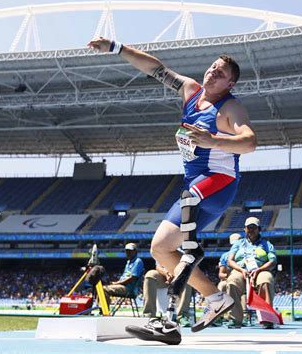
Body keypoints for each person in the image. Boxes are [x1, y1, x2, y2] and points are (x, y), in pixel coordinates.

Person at [87, 37, 257, 344]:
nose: (212, 74)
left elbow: (250, 142)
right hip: (195, 185)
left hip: (217, 182)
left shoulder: (231, 107)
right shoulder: (191, 91)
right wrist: (115, 48)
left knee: (186, 246)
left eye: (220, 73)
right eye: (212, 68)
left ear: (230, 84)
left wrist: (214, 141)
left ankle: (167, 322)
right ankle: (216, 299)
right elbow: (156, 68)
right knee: (161, 249)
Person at [225, 217, 277, 329]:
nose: (251, 230)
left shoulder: (267, 244)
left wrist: (259, 270)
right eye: (249, 227)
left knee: (266, 280)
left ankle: (267, 318)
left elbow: (272, 261)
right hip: (241, 269)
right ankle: (235, 319)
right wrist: (241, 270)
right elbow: (230, 261)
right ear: (244, 229)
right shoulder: (238, 244)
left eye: (254, 227)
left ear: (259, 229)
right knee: (232, 282)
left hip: (260, 269)